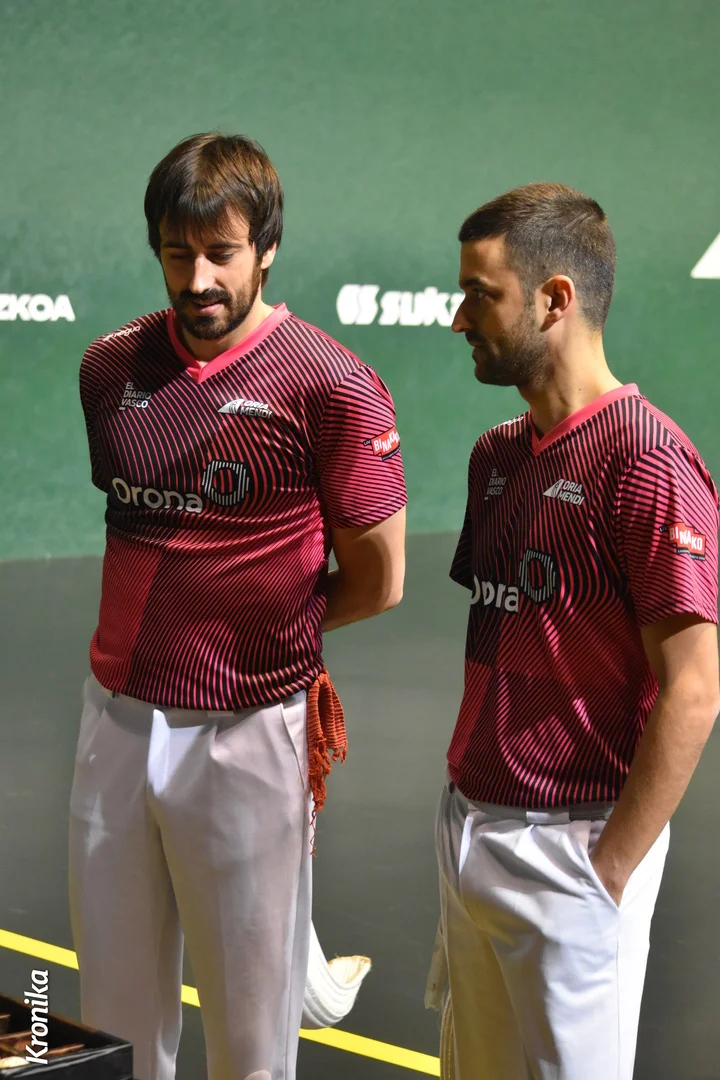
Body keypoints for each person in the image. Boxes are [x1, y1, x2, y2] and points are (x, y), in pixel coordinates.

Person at [69, 132, 407, 1080]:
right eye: (177, 253)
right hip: (115, 721)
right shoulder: (109, 368)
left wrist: (261, 636)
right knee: (106, 1025)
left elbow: (380, 578)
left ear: (267, 248)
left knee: (252, 1040)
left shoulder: (331, 383)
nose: (199, 279)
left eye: (221, 253)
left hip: (251, 730)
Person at [436, 182, 719, 1079]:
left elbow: (695, 688)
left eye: (481, 295)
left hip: (576, 846)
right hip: (470, 828)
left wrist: (607, 872)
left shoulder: (649, 460)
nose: (458, 319)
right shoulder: (495, 456)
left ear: (554, 298)